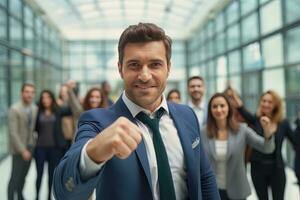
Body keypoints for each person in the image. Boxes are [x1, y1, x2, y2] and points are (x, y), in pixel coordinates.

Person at [53, 22, 219, 200]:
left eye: (155, 64)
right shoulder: (97, 122)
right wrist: (92, 153)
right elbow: (65, 190)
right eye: (134, 65)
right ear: (120, 68)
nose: (145, 76)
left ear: (168, 68)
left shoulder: (187, 115)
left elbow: (204, 177)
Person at [201, 93, 275, 200]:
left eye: (222, 105)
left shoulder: (242, 130)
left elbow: (267, 148)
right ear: (210, 110)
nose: (218, 109)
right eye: (214, 106)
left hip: (237, 189)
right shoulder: (203, 132)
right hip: (212, 190)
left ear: (229, 108)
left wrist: (267, 131)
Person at [229, 89, 296, 200]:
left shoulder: (283, 123)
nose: (265, 104)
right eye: (263, 101)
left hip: (277, 168)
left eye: (269, 102)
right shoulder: (257, 119)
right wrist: (235, 98)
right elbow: (243, 111)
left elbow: (295, 141)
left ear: (276, 105)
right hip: (258, 168)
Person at [35, 90, 72, 200]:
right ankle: (37, 196)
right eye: (43, 98)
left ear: (52, 99)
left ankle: (48, 197)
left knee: (51, 175)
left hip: (54, 149)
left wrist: (67, 95)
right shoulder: (38, 111)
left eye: (48, 97)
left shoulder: (59, 111)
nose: (46, 100)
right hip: (40, 148)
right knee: (39, 174)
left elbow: (72, 110)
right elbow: (35, 128)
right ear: (41, 100)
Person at [7, 83, 38, 200]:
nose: (29, 94)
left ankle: (20, 195)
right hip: (18, 149)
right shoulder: (14, 109)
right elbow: (13, 133)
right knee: (15, 177)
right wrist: (23, 150)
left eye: (31, 92)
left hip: (30, 147)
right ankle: (11, 197)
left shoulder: (35, 108)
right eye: (27, 92)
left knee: (24, 176)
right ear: (22, 93)